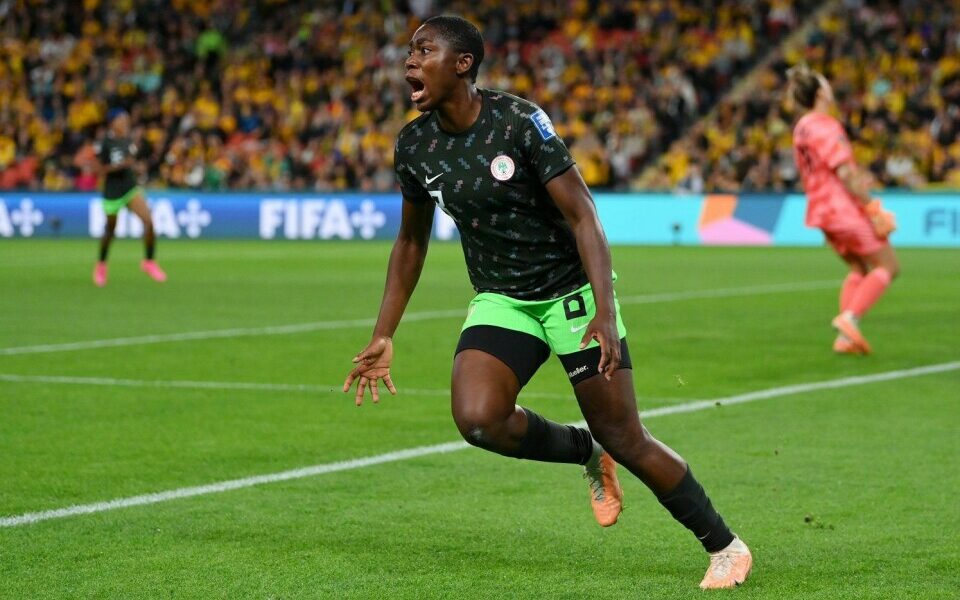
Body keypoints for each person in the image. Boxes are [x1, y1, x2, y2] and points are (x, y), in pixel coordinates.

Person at [343, 16, 752, 589]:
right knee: (478, 419)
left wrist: (604, 312)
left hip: (572, 296)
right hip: (503, 301)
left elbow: (584, 214)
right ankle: (583, 452)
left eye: (423, 50)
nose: (409, 61)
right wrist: (385, 332)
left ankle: (726, 547)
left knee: (626, 437)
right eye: (409, 51)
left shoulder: (517, 121)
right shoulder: (414, 145)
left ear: (463, 64)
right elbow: (410, 241)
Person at [788, 65, 899, 354]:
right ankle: (850, 319)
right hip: (842, 208)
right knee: (888, 266)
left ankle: (845, 339)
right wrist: (871, 206)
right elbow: (845, 173)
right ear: (821, 92)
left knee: (858, 267)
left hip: (820, 211)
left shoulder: (801, 128)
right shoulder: (825, 124)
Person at [92, 110, 167, 287]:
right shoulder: (104, 144)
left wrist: (136, 167)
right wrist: (119, 166)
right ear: (113, 123)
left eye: (126, 120)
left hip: (129, 187)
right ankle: (101, 264)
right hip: (112, 191)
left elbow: (132, 161)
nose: (125, 123)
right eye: (121, 120)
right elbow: (99, 170)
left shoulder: (129, 141)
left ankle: (149, 261)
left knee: (148, 221)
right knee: (110, 231)